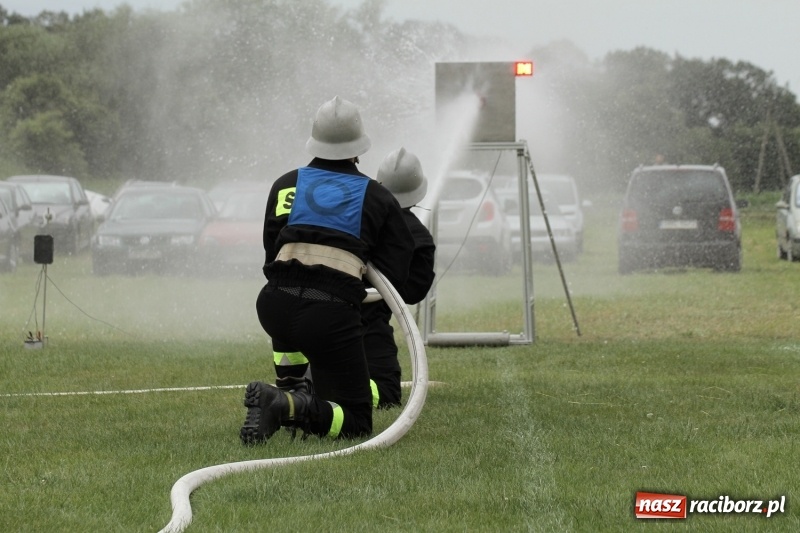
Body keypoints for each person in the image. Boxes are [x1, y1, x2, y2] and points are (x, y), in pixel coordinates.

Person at [241, 96, 415, 444]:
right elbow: (397, 274)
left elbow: (271, 254)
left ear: (314, 139)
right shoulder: (377, 196)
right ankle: (286, 405)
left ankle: (289, 388)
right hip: (328, 313)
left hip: (273, 305)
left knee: (291, 317)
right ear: (359, 146)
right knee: (355, 422)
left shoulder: (285, 184)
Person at [363, 147, 435, 408]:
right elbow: (415, 291)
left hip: (328, 311)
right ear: (418, 192)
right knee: (386, 396)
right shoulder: (419, 237)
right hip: (371, 322)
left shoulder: (356, 215)